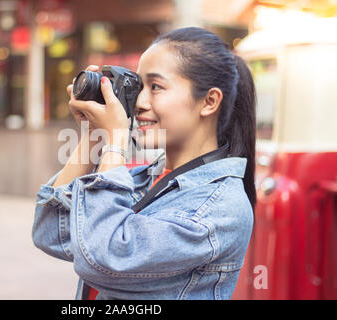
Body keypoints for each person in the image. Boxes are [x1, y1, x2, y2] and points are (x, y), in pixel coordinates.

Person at [32, 27, 256, 300]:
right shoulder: (143, 179)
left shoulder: (220, 208)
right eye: (138, 87)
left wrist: (116, 142)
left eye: (156, 87)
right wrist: (94, 134)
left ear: (209, 101)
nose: (138, 102)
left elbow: (106, 258)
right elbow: (52, 233)